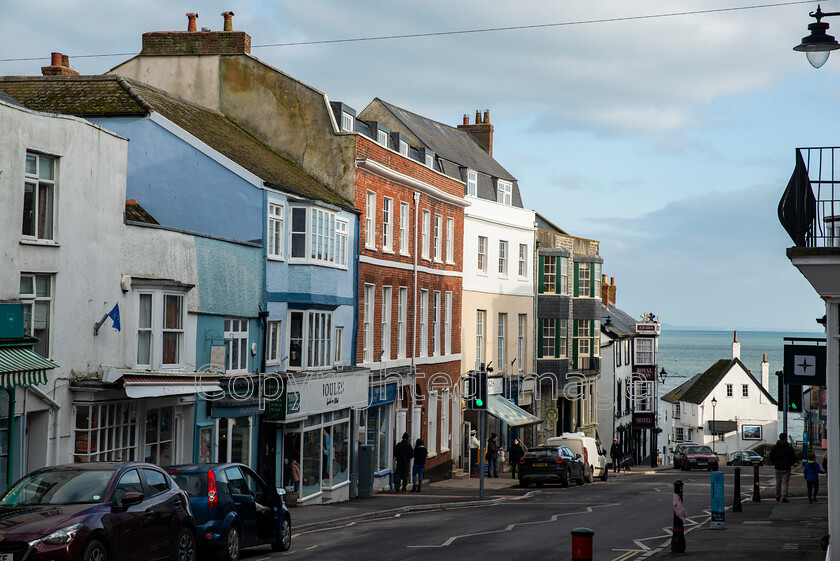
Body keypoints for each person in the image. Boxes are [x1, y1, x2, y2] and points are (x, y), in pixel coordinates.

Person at [769, 433, 797, 502]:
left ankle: (777, 496)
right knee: (785, 482)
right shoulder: (789, 448)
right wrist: (791, 463)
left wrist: (775, 462)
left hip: (778, 467)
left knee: (778, 482)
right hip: (786, 467)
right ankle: (784, 496)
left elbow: (771, 456)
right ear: (785, 438)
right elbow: (793, 457)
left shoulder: (775, 447)